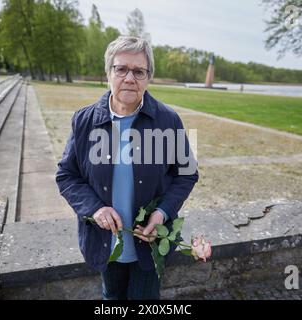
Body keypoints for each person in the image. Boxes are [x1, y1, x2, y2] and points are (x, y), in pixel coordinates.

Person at [56, 36, 198, 300]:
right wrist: (95, 209)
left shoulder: (168, 120)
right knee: (112, 298)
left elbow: (187, 174)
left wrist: (163, 213)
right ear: (108, 73)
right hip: (104, 243)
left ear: (148, 77)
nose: (129, 78)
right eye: (121, 69)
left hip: (150, 243)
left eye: (139, 71)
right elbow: (67, 175)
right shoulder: (84, 120)